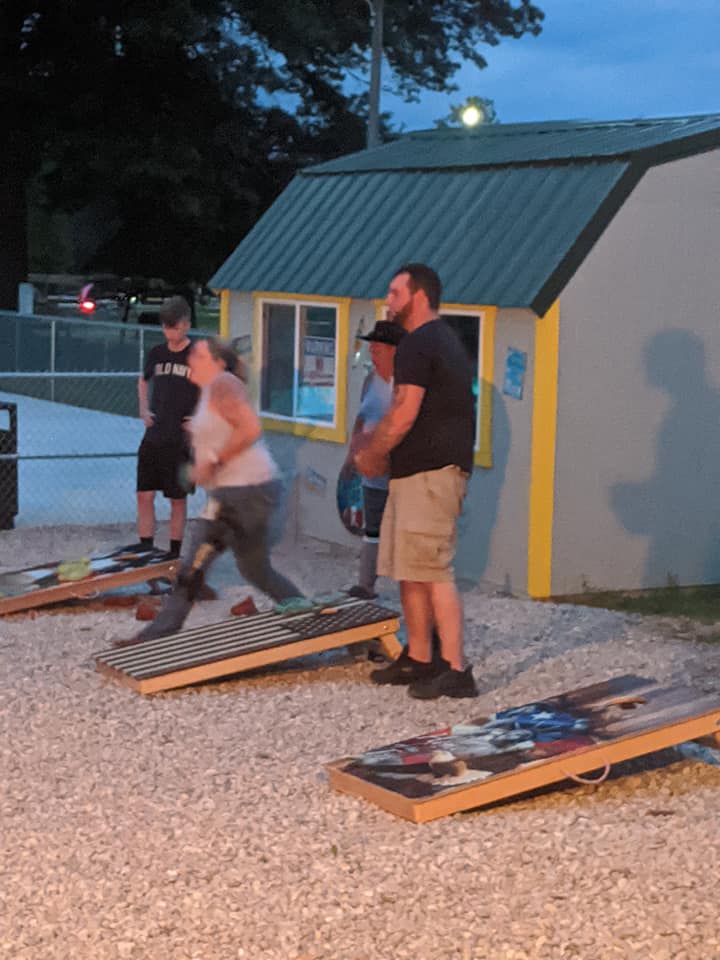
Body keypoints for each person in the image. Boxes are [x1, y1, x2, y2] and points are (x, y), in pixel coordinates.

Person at [127, 337, 303, 643]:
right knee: (255, 571)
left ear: (218, 362)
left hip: (248, 493)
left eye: (199, 356)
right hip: (236, 493)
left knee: (193, 568)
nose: (191, 360)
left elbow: (250, 427)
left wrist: (215, 462)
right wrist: (201, 466)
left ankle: (154, 636)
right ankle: (307, 611)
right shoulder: (209, 390)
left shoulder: (224, 383)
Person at [354, 263, 478, 700]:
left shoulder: (421, 342)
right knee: (409, 569)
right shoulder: (433, 341)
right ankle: (420, 656)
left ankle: (457, 669)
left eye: (395, 292)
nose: (388, 300)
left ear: (419, 296)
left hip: (432, 474)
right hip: (414, 474)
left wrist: (371, 453)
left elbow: (405, 411)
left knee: (433, 570)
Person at [342, 319, 405, 599]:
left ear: (394, 350)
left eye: (378, 348)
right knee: (372, 528)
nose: (372, 353)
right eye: (371, 348)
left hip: (400, 470)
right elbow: (361, 418)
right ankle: (365, 584)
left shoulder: (406, 385)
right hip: (371, 471)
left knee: (405, 530)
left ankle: (412, 589)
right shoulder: (370, 381)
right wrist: (351, 456)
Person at [136, 296, 198, 559]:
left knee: (177, 500)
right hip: (154, 435)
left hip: (180, 440)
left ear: (186, 325)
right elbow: (142, 381)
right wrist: (143, 409)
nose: (170, 333)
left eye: (174, 327)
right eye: (165, 327)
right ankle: (145, 552)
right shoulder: (157, 353)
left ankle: (173, 556)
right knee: (144, 495)